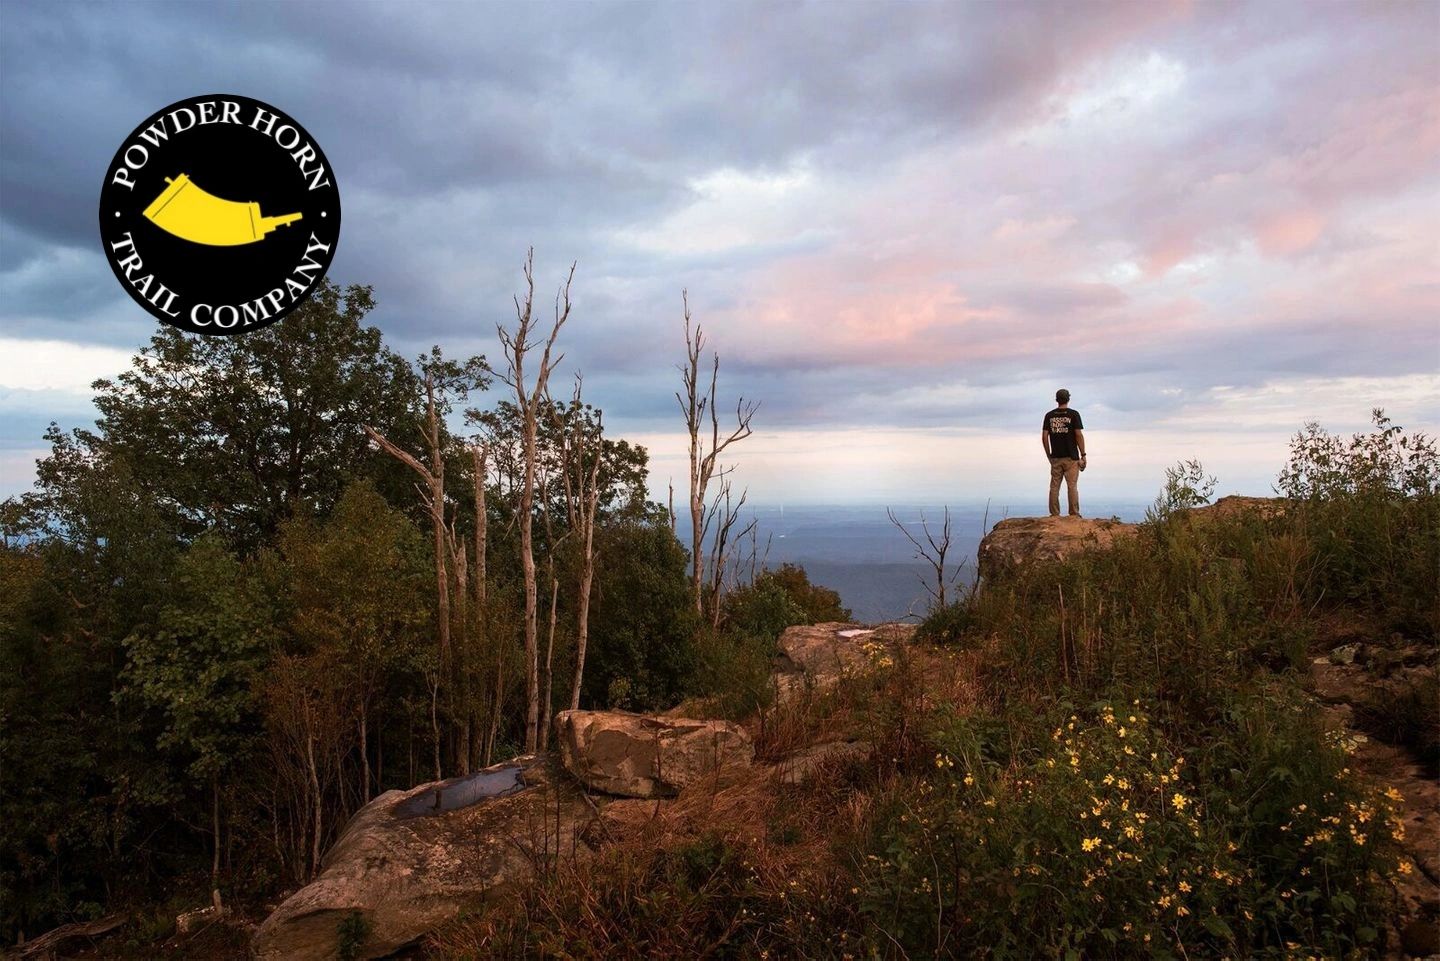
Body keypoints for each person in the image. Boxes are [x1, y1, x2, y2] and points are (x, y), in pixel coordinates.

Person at [1041, 388, 1086, 517]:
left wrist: (1048, 454)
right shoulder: (1073, 414)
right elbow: (1078, 435)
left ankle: (1054, 514)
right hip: (1071, 457)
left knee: (1054, 486)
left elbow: (1044, 436)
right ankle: (1074, 514)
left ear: (1056, 400)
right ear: (1068, 399)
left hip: (1055, 456)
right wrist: (1083, 454)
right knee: (1072, 486)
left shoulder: (1049, 416)